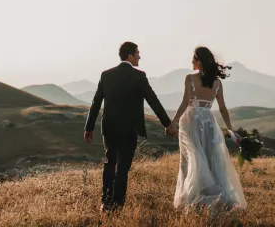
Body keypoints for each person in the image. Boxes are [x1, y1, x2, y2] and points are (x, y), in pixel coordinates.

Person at [83, 41, 176, 213]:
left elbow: (96, 102)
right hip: (129, 129)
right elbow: (153, 100)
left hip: (109, 128)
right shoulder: (138, 76)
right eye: (137, 53)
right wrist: (167, 124)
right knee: (123, 167)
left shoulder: (106, 75)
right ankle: (117, 205)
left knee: (110, 162)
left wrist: (89, 127)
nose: (140, 56)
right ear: (130, 56)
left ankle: (105, 202)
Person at [171, 46, 247, 211]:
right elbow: (222, 108)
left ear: (199, 61)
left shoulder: (190, 79)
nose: (191, 61)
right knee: (209, 158)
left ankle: (193, 197)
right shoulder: (217, 83)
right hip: (208, 122)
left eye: (193, 58)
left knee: (191, 158)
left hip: (191, 121)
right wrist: (230, 129)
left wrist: (174, 122)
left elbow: (185, 102)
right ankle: (212, 196)